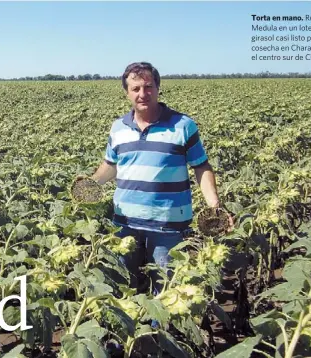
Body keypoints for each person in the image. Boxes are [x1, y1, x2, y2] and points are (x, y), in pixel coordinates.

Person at [91, 62, 230, 296]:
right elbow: (111, 165)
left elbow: (201, 167)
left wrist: (214, 205)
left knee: (168, 291)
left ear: (158, 88)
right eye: (135, 89)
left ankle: (160, 333)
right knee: (122, 288)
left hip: (168, 226)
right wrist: (91, 184)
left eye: (148, 87)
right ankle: (133, 334)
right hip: (124, 224)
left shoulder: (183, 125)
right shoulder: (118, 128)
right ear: (126, 92)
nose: (142, 94)